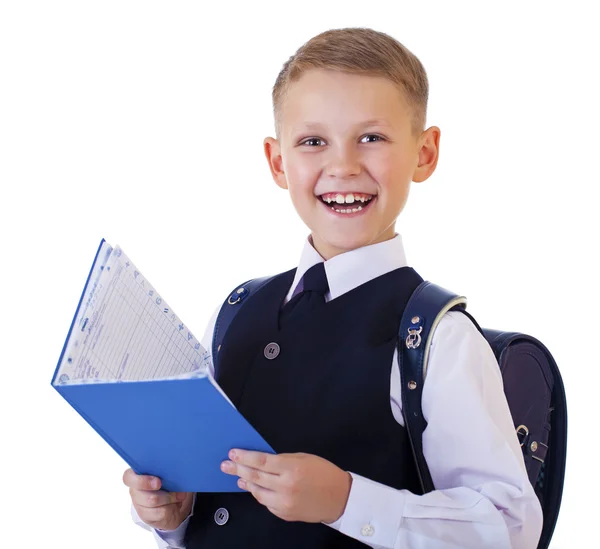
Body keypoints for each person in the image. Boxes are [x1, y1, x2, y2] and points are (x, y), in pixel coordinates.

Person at [123, 27, 543, 549]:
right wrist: (175, 514)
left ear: (425, 152)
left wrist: (348, 500)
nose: (342, 166)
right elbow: (210, 501)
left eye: (372, 137)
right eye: (313, 141)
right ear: (278, 161)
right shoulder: (236, 311)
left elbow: (509, 528)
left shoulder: (437, 339)